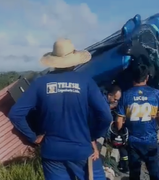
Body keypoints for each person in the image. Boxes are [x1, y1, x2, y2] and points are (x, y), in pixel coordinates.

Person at [8, 39, 113, 180]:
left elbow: (16, 113)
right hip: (81, 150)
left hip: (53, 153)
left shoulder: (40, 83)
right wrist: (92, 136)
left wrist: (33, 137)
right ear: (74, 60)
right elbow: (106, 115)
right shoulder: (86, 82)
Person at [116, 62, 159, 180]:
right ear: (147, 77)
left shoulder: (126, 95)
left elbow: (119, 120)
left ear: (132, 77)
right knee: (155, 173)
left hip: (133, 141)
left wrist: (121, 136)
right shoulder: (156, 94)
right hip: (151, 141)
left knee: (134, 174)